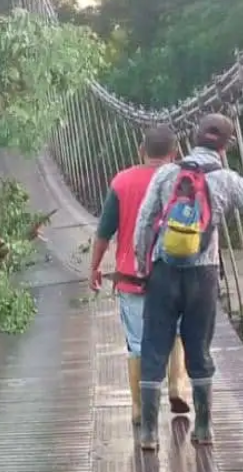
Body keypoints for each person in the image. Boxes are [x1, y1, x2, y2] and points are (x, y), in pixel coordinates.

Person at [134, 113, 241, 450]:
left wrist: (142, 265)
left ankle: (149, 433)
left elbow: (144, 221)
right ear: (225, 146)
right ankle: (204, 428)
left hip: (164, 271)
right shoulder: (228, 179)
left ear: (193, 138)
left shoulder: (167, 173)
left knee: (153, 349)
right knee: (199, 349)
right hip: (204, 275)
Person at [90, 125, 190, 428]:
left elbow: (104, 232)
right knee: (176, 331)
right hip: (174, 274)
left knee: (136, 343)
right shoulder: (183, 180)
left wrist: (94, 267)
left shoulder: (121, 182)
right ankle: (177, 386)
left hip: (132, 277)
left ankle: (138, 407)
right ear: (173, 154)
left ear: (140, 150)